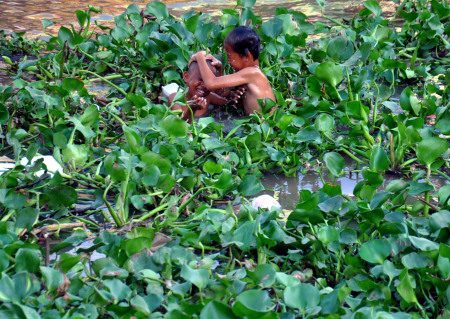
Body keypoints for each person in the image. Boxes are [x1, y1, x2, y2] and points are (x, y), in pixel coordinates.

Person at [189, 26, 276, 116]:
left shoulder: (252, 73)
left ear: (247, 56)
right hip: (255, 125)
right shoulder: (247, 74)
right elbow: (222, 94)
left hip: (265, 126)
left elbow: (211, 84)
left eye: (230, 57)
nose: (228, 62)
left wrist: (200, 57)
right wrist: (220, 70)